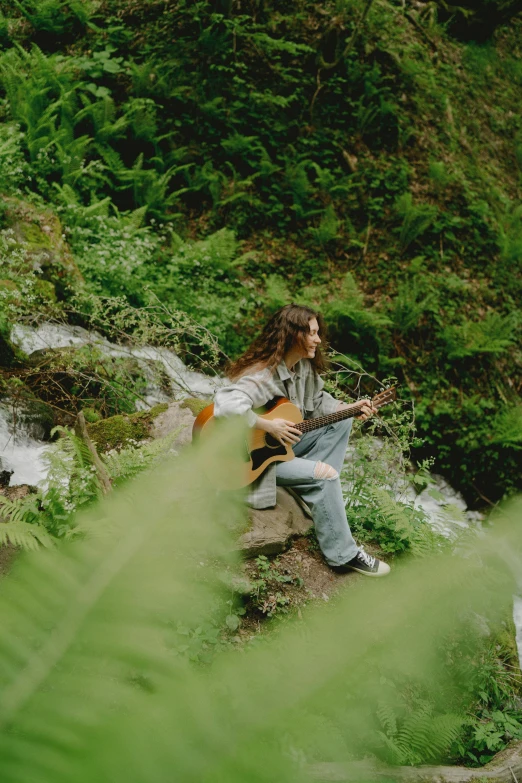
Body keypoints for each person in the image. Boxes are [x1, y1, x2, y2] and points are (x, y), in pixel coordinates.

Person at [213, 304, 390, 577]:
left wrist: (355, 407)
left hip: (283, 450)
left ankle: (313, 493)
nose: (318, 340)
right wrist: (267, 425)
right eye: (312, 333)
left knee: (341, 419)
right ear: (293, 334)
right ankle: (343, 555)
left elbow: (321, 404)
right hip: (250, 462)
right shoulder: (263, 375)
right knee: (327, 476)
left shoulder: (302, 369)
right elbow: (224, 406)